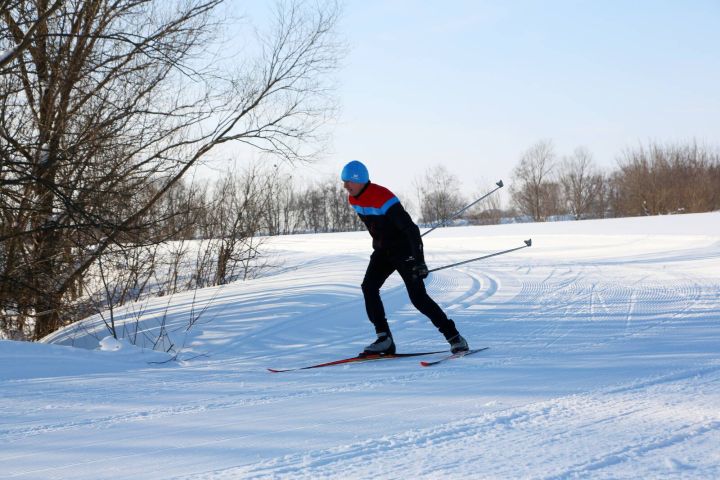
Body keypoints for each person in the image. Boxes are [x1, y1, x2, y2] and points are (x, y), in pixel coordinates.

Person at [341, 160, 469, 356]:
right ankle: (384, 339)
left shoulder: (383, 197)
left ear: (359, 180)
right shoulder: (354, 200)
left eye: (348, 181)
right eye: (343, 181)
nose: (345, 186)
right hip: (383, 251)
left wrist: (419, 261)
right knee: (369, 286)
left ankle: (455, 338)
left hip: (403, 250)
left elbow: (411, 229)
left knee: (418, 297)